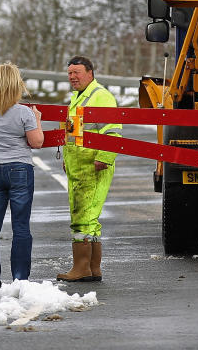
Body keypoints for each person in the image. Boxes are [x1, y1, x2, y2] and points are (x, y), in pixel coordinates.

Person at [0, 62, 44, 289]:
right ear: (18, 85)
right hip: (19, 169)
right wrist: (39, 120)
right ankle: (20, 279)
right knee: (21, 227)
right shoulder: (25, 112)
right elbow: (36, 142)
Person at [56, 56, 122, 282]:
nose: (72, 77)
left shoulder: (100, 96)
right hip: (78, 167)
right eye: (70, 73)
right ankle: (93, 269)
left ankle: (81, 268)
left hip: (93, 166)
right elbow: (73, 132)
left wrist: (104, 157)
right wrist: (67, 158)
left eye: (77, 72)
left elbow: (112, 130)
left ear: (90, 73)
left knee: (83, 217)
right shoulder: (78, 97)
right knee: (89, 218)